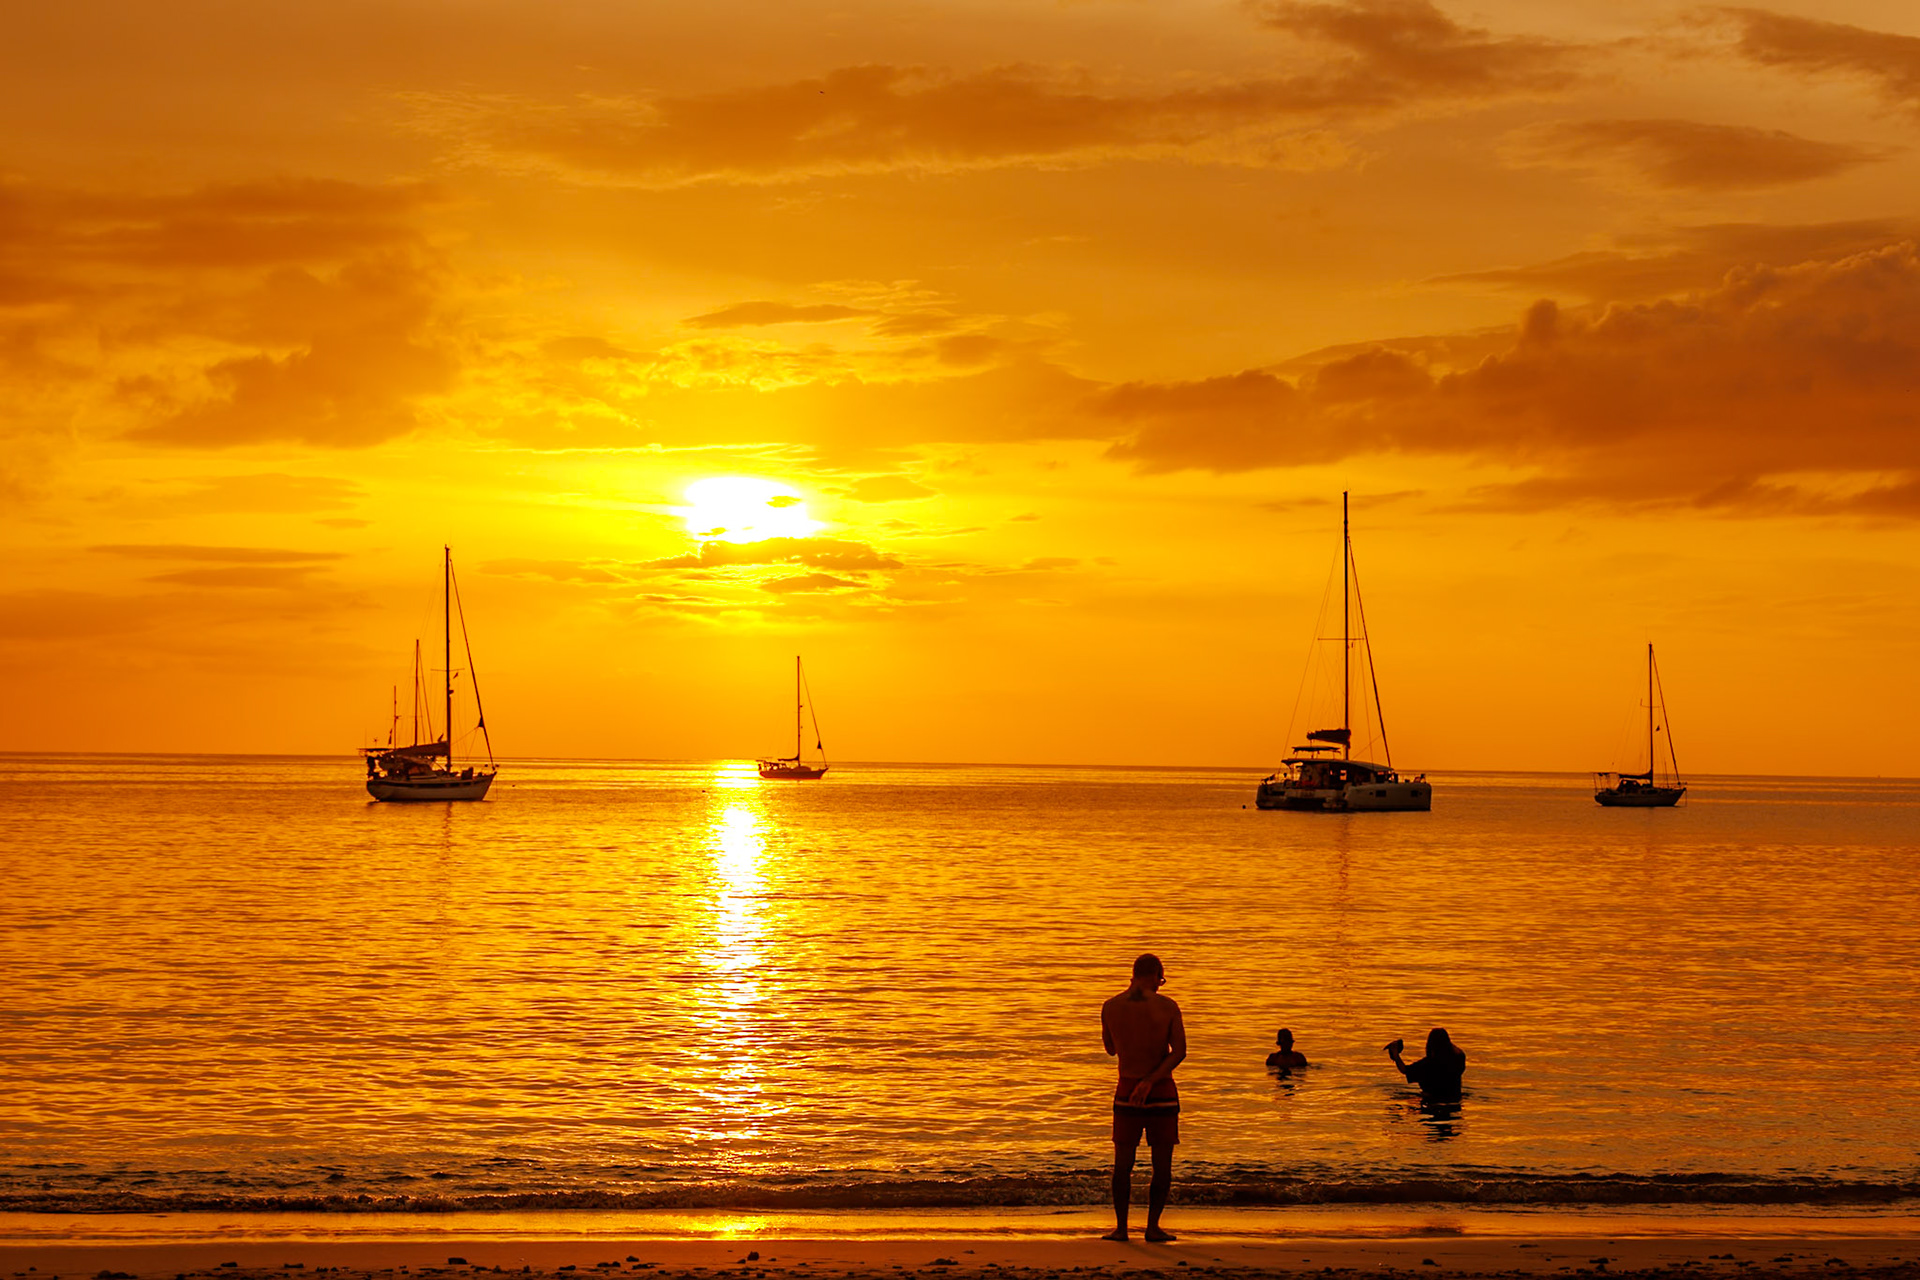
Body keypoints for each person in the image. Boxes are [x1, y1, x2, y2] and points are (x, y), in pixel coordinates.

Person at [1100, 953, 1186, 1243]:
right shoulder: (1168, 1007)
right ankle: (1152, 1227)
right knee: (1162, 1163)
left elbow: (1110, 1049)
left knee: (1123, 1163)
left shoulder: (1110, 1007)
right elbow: (1180, 1052)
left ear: (1133, 974)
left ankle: (1121, 1229)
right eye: (1161, 980)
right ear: (1154, 976)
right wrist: (1150, 1080)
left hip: (1126, 1090)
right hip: (1160, 1089)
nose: (1161, 986)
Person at [1385, 1027, 1466, 1101]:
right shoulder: (1457, 1061)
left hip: (1431, 1101)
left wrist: (1395, 1054)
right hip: (1455, 1099)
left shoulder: (1427, 1064)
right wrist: (1446, 1043)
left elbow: (1404, 1070)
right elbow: (1460, 1052)